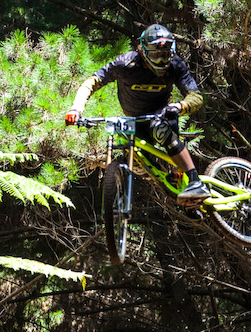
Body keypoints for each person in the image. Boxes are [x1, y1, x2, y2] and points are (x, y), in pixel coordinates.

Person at [64, 23, 210, 204]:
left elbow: (195, 96)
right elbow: (91, 83)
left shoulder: (175, 65)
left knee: (160, 129)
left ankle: (196, 182)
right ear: (143, 51)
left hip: (161, 116)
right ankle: (181, 192)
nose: (162, 60)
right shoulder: (125, 64)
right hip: (134, 119)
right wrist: (76, 109)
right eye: (156, 55)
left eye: (165, 55)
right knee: (138, 162)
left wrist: (179, 106)